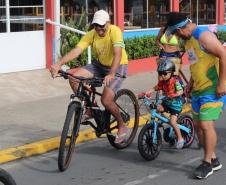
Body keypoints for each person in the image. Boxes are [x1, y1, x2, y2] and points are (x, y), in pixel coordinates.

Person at [50, 10, 129, 144]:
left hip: (117, 66)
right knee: (74, 77)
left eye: (102, 25)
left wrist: (111, 73)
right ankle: (90, 108)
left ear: (108, 23)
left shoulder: (114, 31)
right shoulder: (92, 34)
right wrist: (59, 64)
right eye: (96, 25)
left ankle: (122, 125)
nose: (99, 29)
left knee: (106, 100)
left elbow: (118, 54)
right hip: (99, 65)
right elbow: (77, 50)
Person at [165, 12, 226, 179]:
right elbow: (196, 64)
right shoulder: (189, 41)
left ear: (180, 29)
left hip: (212, 88)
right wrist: (190, 85)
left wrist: (222, 83)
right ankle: (213, 160)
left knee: (206, 125)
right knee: (198, 125)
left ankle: (206, 163)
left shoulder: (203, 36)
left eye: (176, 33)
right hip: (198, 88)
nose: (177, 37)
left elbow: (224, 55)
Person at [145, 58, 184, 149]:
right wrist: (148, 92)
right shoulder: (162, 82)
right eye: (160, 73)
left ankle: (180, 139)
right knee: (157, 109)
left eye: (165, 73)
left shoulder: (175, 81)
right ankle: (159, 123)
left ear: (171, 73)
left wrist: (172, 95)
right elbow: (156, 87)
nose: (162, 75)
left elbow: (181, 91)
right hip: (166, 103)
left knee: (172, 122)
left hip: (175, 106)